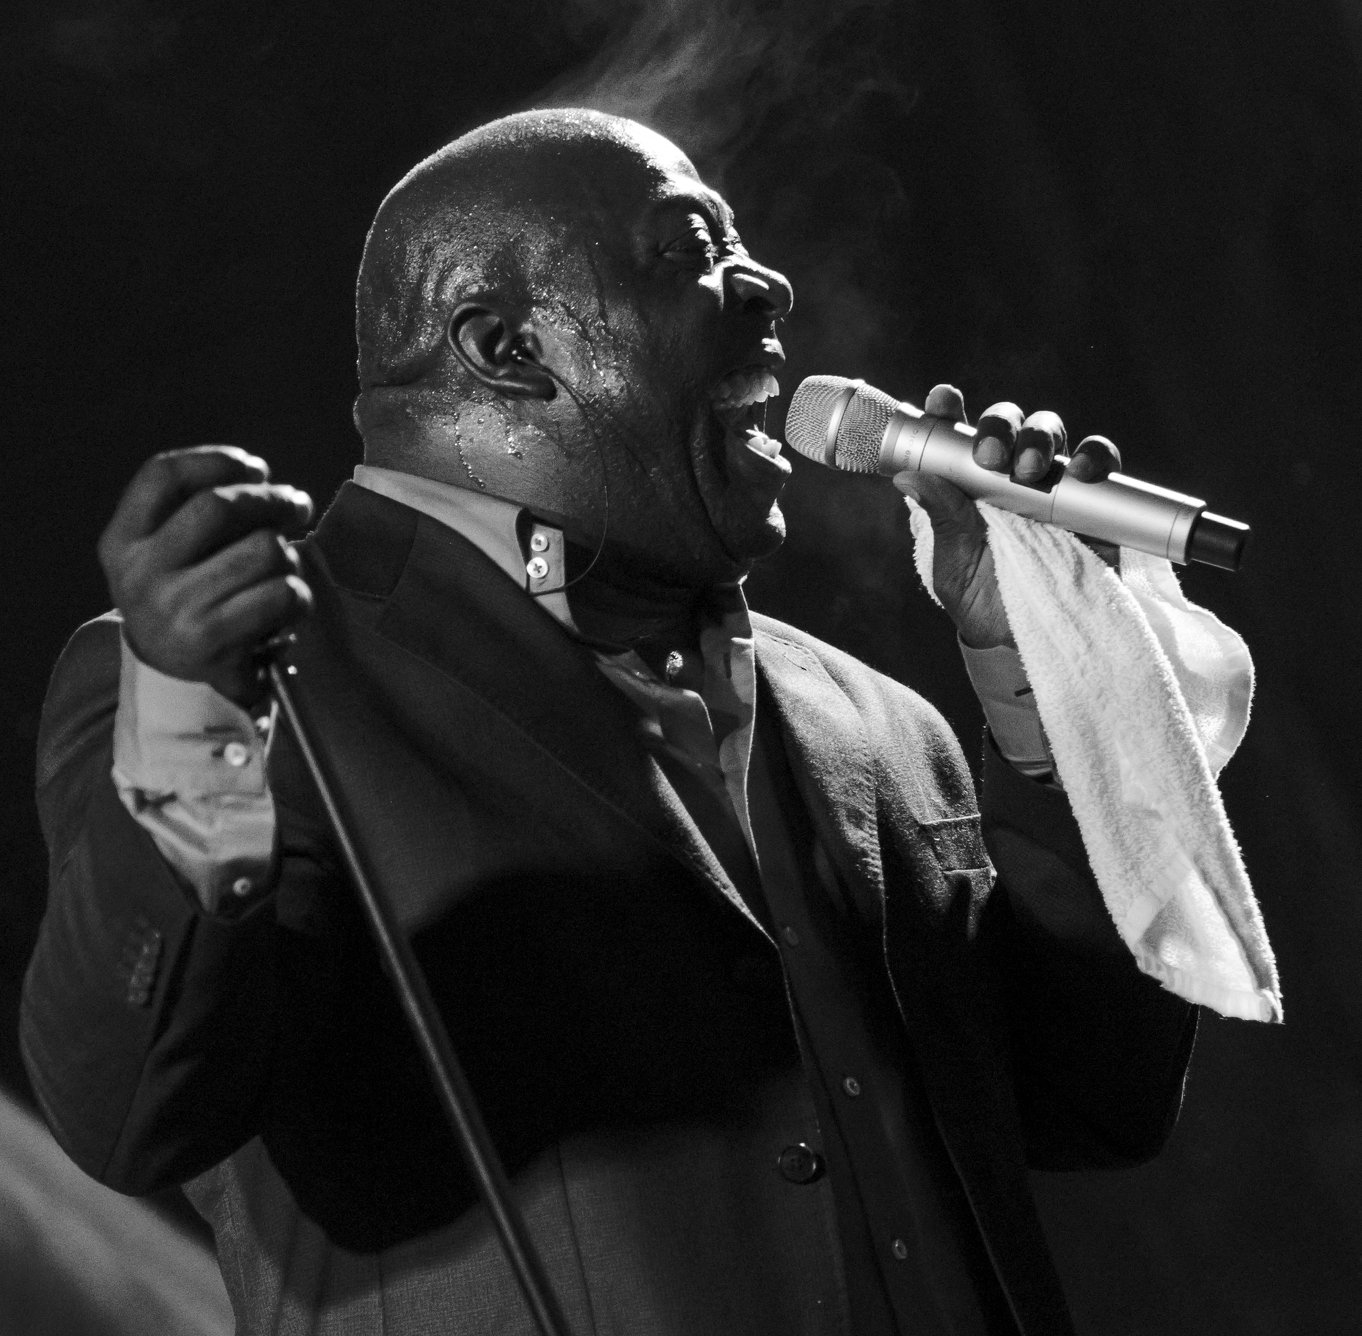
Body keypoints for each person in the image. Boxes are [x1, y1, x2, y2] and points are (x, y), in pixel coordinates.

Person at [21, 108, 1196, 1336]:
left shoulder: (880, 726)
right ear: (505, 347)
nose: (772, 284)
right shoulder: (262, 684)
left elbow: (1095, 1101)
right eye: (690, 248)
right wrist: (190, 723)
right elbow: (132, 1110)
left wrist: (1057, 694)